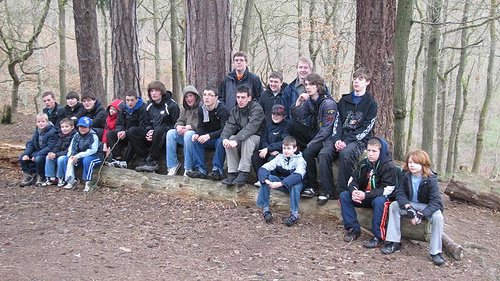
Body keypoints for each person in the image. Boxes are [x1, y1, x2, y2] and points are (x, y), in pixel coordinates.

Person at [317, 67, 377, 204]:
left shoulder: (371, 104)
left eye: (360, 79)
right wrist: (337, 139)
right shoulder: (344, 101)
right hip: (340, 138)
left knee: (346, 154)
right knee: (324, 154)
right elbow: (337, 122)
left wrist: (346, 141)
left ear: (367, 82)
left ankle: (342, 193)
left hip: (358, 140)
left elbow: (366, 128)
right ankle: (326, 191)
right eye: (355, 79)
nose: (356, 81)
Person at [381, 149, 445, 266]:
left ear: (423, 164)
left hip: (426, 207)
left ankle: (435, 252)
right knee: (394, 206)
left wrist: (422, 214)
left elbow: (436, 202)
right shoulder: (405, 175)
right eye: (410, 162)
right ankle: (393, 242)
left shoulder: (431, 179)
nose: (412, 165)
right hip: (410, 204)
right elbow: (399, 193)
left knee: (438, 217)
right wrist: (408, 207)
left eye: (415, 163)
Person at [339, 137, 398, 249]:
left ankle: (378, 237)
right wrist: (354, 191)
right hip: (364, 196)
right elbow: (352, 180)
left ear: (381, 152)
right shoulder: (364, 164)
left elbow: (388, 189)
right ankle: (353, 229)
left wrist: (365, 195)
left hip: (380, 198)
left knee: (380, 201)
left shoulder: (389, 167)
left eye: (374, 151)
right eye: (369, 150)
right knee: (344, 196)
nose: (370, 154)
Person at [289, 73, 337, 199]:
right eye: (306, 85)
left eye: (311, 84)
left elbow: (327, 130)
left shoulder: (328, 103)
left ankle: (319, 188)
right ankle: (310, 185)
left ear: (318, 86)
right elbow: (297, 117)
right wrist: (298, 102)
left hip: (328, 139)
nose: (308, 87)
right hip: (315, 135)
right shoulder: (310, 101)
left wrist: (311, 144)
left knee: (309, 152)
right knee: (291, 127)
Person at [220, 86, 265, 190]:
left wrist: (236, 140)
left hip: (258, 138)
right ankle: (232, 172)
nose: (240, 100)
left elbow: (251, 128)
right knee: (230, 138)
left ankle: (244, 172)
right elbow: (230, 125)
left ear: (249, 98)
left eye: (243, 97)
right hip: (242, 138)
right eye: (238, 97)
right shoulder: (235, 110)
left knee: (247, 139)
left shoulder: (256, 109)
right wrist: (224, 138)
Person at [256, 136, 306, 226]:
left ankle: (294, 214)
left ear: (294, 149)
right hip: (282, 183)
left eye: (289, 148)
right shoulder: (280, 157)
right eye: (284, 148)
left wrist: (280, 184)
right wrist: (265, 180)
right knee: (266, 178)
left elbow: (298, 176)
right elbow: (264, 168)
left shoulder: (300, 160)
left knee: (296, 184)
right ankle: (266, 210)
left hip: (294, 185)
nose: (286, 151)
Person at [133, 81, 180, 172]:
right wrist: (149, 131)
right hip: (152, 135)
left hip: (165, 136)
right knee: (133, 131)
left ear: (161, 92)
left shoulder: (172, 105)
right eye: (151, 91)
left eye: (156, 91)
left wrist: (155, 132)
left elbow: (175, 125)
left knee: (159, 130)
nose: (153, 93)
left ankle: (152, 161)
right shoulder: (148, 106)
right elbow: (145, 123)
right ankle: (145, 158)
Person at [185, 86, 229, 180]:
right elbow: (201, 126)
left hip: (218, 137)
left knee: (221, 141)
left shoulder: (222, 109)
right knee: (195, 139)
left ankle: (217, 170)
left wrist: (209, 136)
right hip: (207, 138)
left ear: (216, 97)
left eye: (210, 95)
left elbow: (224, 130)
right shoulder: (202, 109)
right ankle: (200, 169)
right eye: (204, 95)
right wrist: (197, 134)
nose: (206, 97)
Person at [106, 90, 148, 168]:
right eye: (127, 100)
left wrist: (126, 132)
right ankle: (117, 158)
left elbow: (143, 126)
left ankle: (125, 161)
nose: (130, 103)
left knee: (132, 132)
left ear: (137, 99)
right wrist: (120, 131)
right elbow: (119, 123)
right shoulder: (123, 108)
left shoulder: (143, 108)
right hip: (125, 134)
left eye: (132, 100)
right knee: (110, 134)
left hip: (137, 136)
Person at [165, 85, 201, 176]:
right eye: (186, 97)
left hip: (196, 137)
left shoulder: (202, 108)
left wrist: (190, 127)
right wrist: (179, 127)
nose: (189, 99)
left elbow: (202, 125)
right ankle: (172, 165)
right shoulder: (185, 109)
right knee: (170, 133)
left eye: (191, 96)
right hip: (185, 135)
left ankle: (188, 168)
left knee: (189, 134)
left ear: (195, 96)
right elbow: (179, 121)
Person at [62, 116, 104, 192]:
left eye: (85, 127)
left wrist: (78, 156)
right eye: (81, 126)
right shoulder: (76, 136)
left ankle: (88, 182)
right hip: (80, 156)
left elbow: (92, 150)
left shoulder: (93, 136)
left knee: (87, 160)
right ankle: (71, 180)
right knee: (67, 159)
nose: (82, 129)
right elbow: (72, 147)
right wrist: (72, 156)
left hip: (95, 156)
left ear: (89, 127)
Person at [251, 104, 289, 186]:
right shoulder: (268, 124)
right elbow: (263, 139)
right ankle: (261, 179)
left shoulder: (287, 126)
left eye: (278, 114)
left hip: (280, 153)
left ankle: (270, 180)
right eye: (273, 114)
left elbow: (284, 142)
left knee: (272, 159)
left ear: (284, 116)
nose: (275, 116)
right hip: (267, 150)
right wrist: (267, 149)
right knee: (255, 156)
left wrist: (269, 149)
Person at [19, 113, 58, 186]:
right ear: (36, 123)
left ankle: (41, 176)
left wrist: (37, 154)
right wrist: (26, 154)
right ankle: (30, 175)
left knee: (38, 159)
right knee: (22, 157)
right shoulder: (37, 131)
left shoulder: (52, 132)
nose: (41, 124)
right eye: (39, 122)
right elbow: (31, 143)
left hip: (47, 152)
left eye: (43, 121)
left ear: (47, 122)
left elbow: (50, 147)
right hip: (38, 151)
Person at [41, 118, 76, 187]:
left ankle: (61, 178)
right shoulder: (61, 135)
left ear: (72, 127)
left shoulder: (75, 136)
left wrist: (56, 154)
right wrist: (52, 153)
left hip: (69, 155)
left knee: (61, 159)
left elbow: (70, 150)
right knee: (48, 157)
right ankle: (50, 178)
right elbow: (57, 146)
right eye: (62, 127)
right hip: (59, 153)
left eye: (66, 126)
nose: (64, 129)